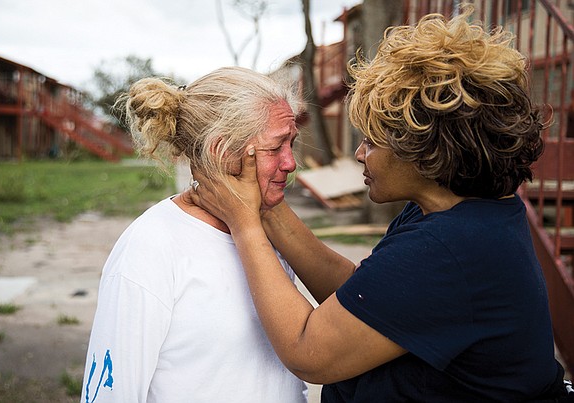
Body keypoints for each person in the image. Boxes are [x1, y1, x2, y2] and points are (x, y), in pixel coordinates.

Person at [189, 9, 574, 402]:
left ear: (424, 150)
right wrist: (267, 209)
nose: (358, 153)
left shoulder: (450, 249)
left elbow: (308, 350)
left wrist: (245, 224)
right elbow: (363, 295)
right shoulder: (459, 213)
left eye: (372, 141)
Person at [81, 66, 308, 402]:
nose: (291, 163)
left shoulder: (267, 232)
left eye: (292, 143)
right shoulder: (152, 246)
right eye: (275, 148)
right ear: (221, 150)